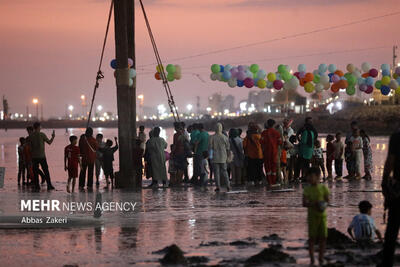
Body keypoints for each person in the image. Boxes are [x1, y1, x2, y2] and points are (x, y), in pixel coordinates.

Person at [379, 128, 400, 267]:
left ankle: (387, 262)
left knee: (392, 228)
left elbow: (390, 161)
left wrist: (384, 182)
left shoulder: (396, 137)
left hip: (398, 188)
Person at [303, 167, 329, 266]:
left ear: (318, 176)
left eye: (311, 176)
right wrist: (314, 204)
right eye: (308, 176)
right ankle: (312, 259)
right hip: (312, 217)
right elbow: (304, 203)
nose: (309, 178)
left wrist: (322, 205)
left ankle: (321, 258)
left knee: (323, 237)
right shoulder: (307, 189)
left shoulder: (324, 188)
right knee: (312, 238)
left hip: (322, 216)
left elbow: (327, 201)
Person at [29, 122, 55, 191]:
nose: (41, 127)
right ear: (38, 127)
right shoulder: (42, 135)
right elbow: (49, 142)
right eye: (40, 126)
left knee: (35, 172)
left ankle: (37, 185)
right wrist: (53, 137)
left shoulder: (31, 136)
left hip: (34, 157)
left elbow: (30, 148)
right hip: (42, 156)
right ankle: (49, 185)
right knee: (46, 171)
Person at [209, 123, 231, 192]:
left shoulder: (212, 137)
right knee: (225, 172)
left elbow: (210, 148)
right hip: (223, 157)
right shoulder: (225, 137)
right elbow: (228, 148)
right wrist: (228, 157)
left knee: (216, 173)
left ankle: (218, 186)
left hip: (215, 158)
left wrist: (210, 157)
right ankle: (228, 185)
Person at [260, 119, 282, 187]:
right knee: (274, 168)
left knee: (267, 167)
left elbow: (261, 141)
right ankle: (273, 182)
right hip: (274, 152)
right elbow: (280, 142)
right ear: (273, 124)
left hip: (266, 152)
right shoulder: (277, 133)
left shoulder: (264, 133)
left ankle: (269, 182)